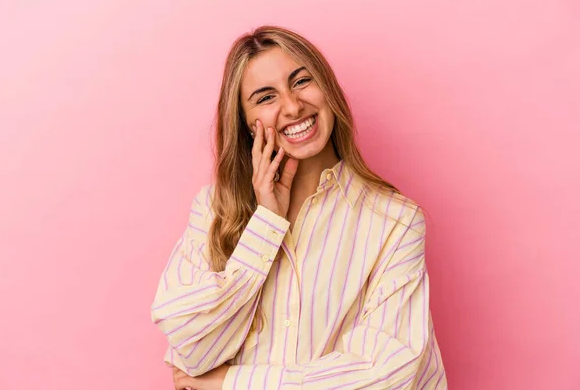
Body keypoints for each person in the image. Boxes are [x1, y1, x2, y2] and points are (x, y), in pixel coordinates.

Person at [151, 25, 447, 390]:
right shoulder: (213, 209)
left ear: (328, 89)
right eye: (265, 97)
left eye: (302, 81)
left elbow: (386, 374)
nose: (292, 107)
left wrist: (234, 382)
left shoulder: (395, 222)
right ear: (246, 123)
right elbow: (193, 349)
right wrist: (267, 223)